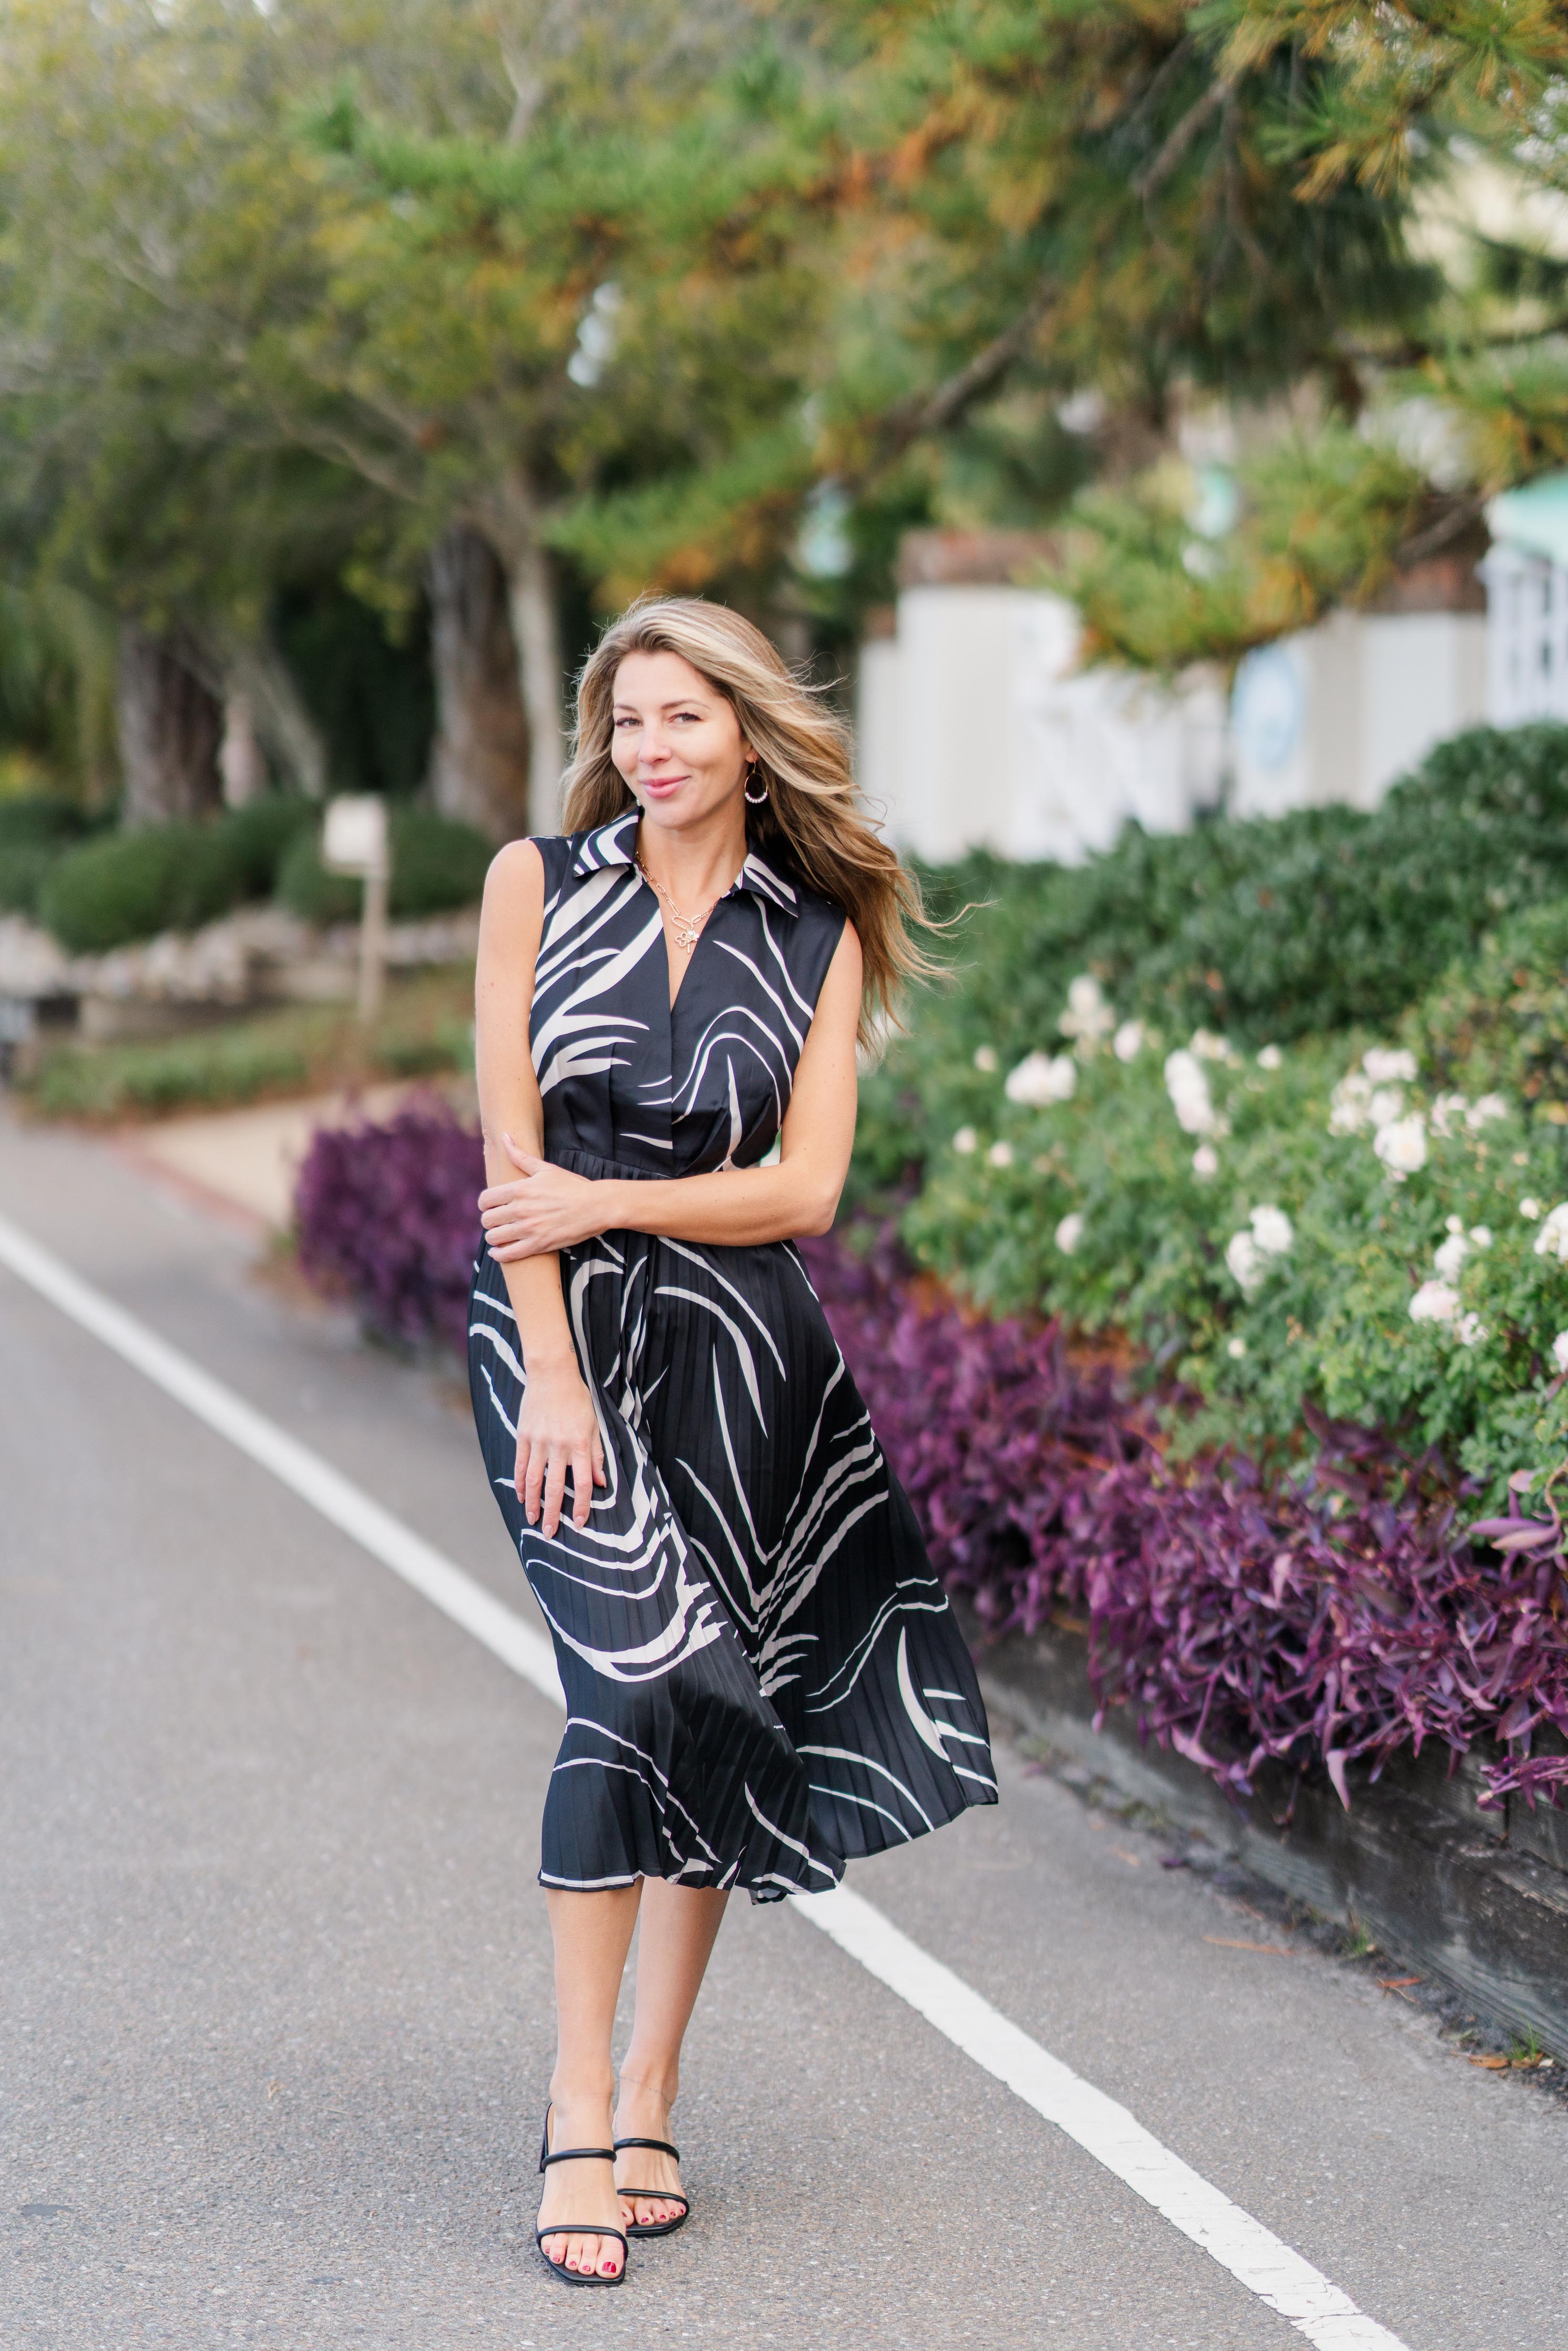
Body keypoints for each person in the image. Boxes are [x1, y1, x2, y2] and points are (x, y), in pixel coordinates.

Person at [467, 596, 996, 2287]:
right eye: (628, 722)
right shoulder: (536, 886)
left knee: (712, 1698)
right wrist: (555, 1370)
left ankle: (653, 2089)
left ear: (751, 736)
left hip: (740, 1351)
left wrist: (613, 1201)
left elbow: (805, 1190)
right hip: (557, 1341)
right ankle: (574, 2106)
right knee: (630, 1686)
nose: (651, 750)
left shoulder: (816, 932)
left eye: (683, 717)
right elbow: (511, 1166)